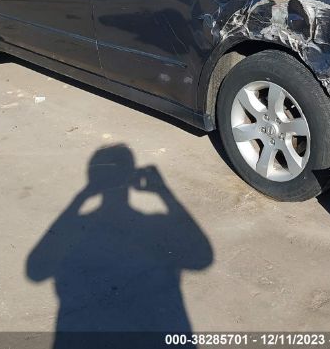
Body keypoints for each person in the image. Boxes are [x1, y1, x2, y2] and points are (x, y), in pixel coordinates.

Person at [27, 145, 213, 347]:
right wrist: (163, 192)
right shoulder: (155, 226)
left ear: (93, 179)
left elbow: (36, 271)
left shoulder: (75, 229)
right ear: (131, 177)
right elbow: (203, 258)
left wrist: (81, 198)